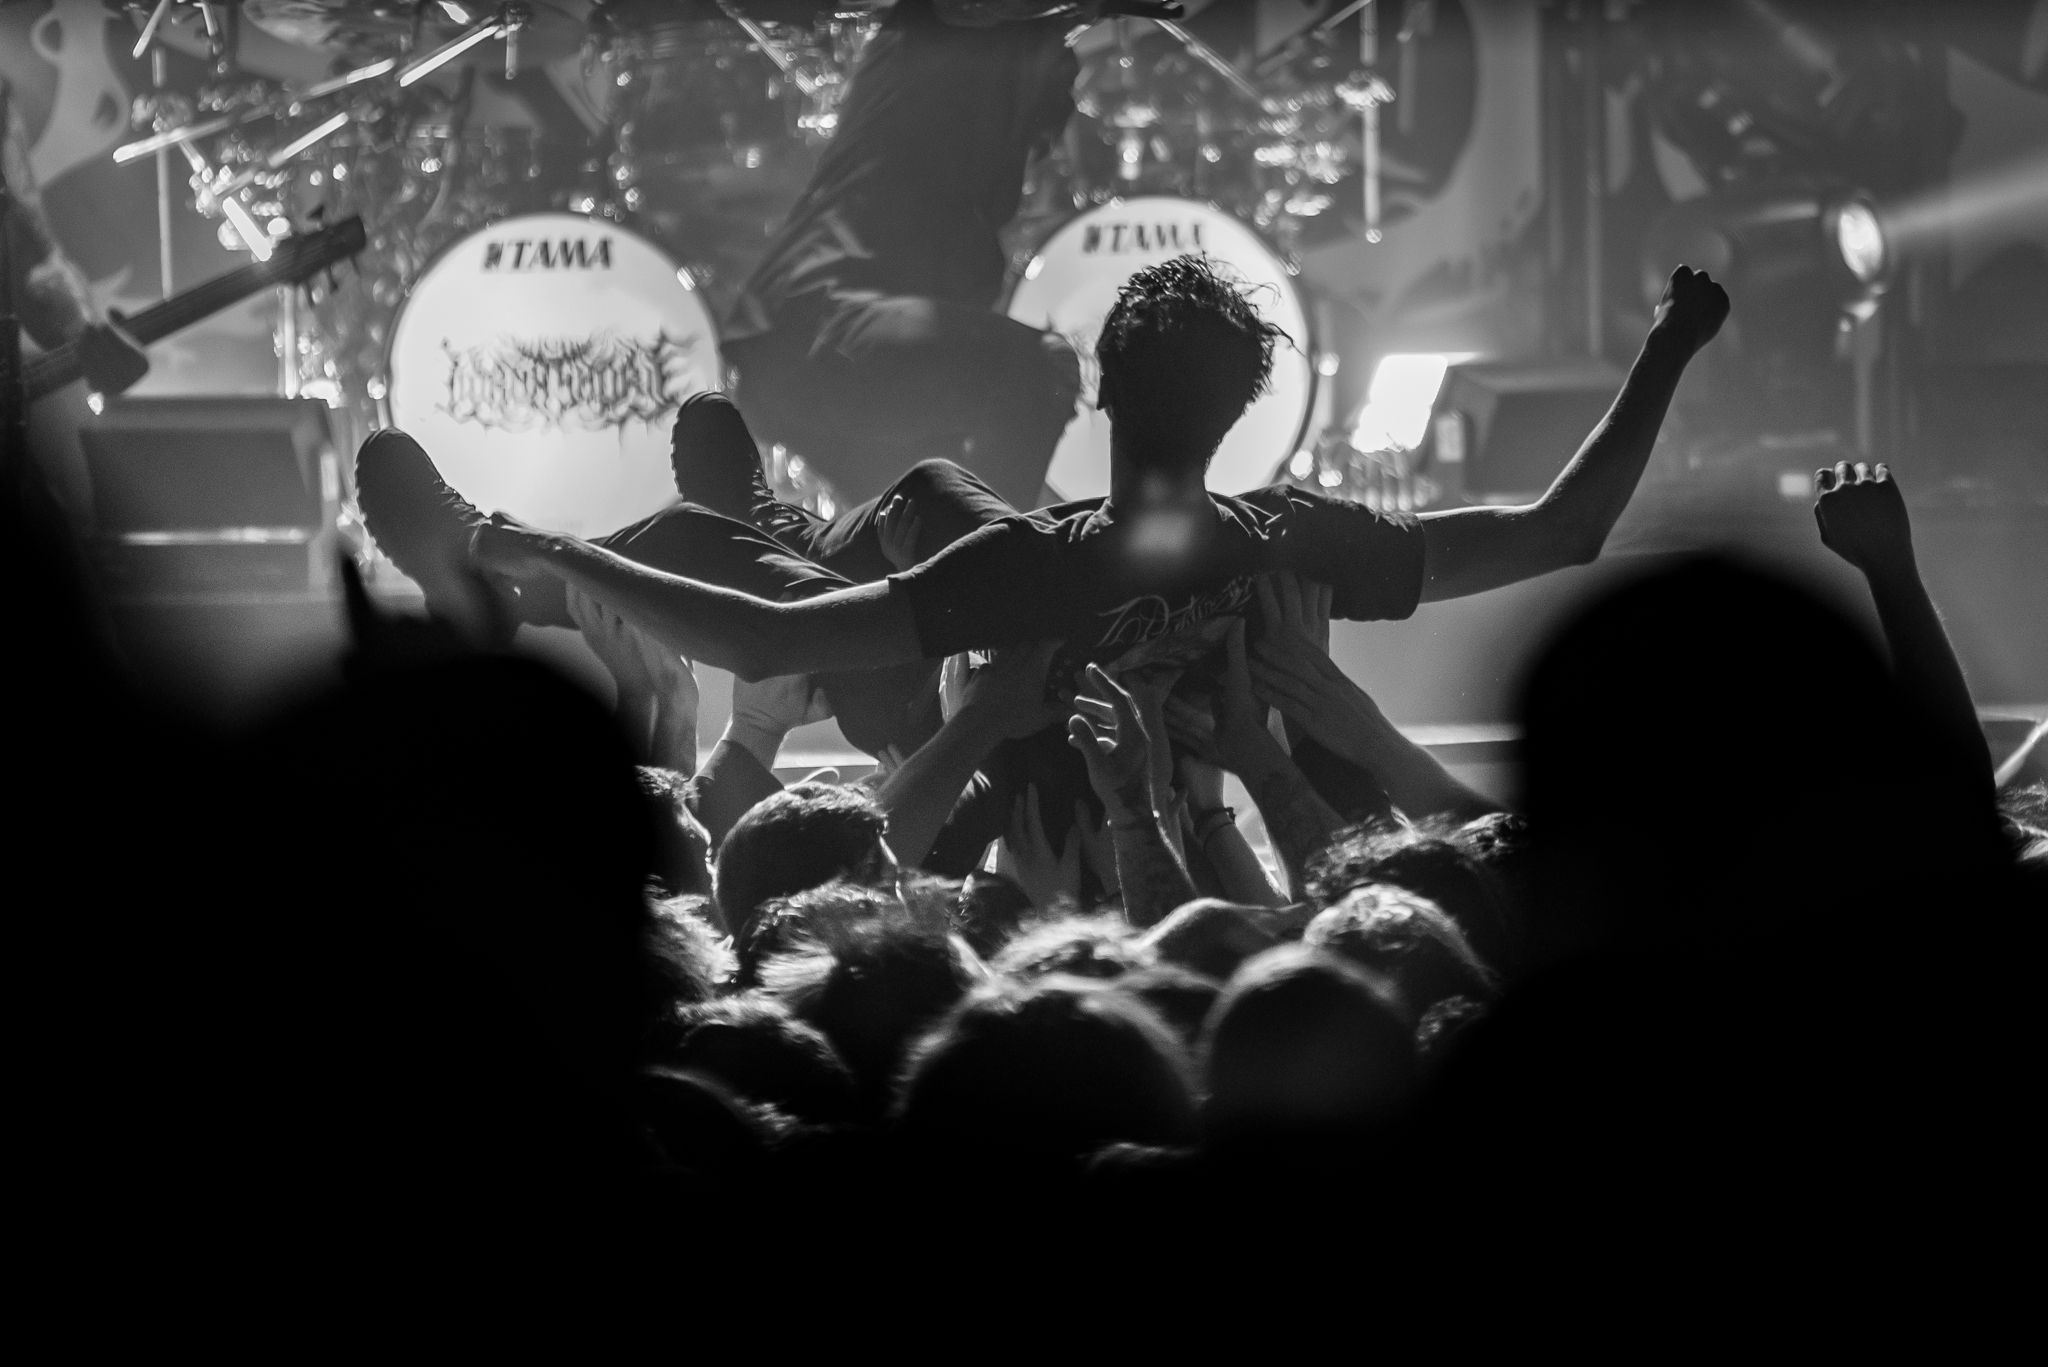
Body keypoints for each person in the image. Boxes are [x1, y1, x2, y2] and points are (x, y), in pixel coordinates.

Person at [464, 251, 1730, 703]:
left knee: (767, 557)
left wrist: (559, 546)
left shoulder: (1027, 571)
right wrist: (1668, 347)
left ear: (1103, 394)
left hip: (931, 706)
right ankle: (760, 526)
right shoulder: (1298, 537)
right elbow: (1561, 530)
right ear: (1241, 412)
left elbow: (761, 642)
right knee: (928, 488)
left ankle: (592, 564)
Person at [717, 0, 1185, 513]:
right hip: (818, 320)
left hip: (814, 351)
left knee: (914, 521)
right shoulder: (930, 30)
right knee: (1035, 369)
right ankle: (994, 553)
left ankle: (960, 550)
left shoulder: (1009, 114)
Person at [2, 76, 148, 530]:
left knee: (73, 477)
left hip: (36, 379)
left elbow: (50, 291)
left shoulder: (17, 216)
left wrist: (78, 322)